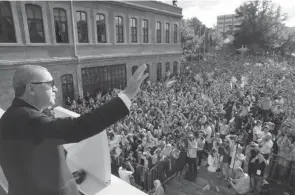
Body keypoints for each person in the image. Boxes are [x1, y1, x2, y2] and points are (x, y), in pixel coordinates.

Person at [0, 64, 148, 195]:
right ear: (31, 89)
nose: (56, 88)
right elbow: (77, 128)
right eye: (50, 84)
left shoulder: (9, 117)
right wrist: (127, 95)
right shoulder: (29, 119)